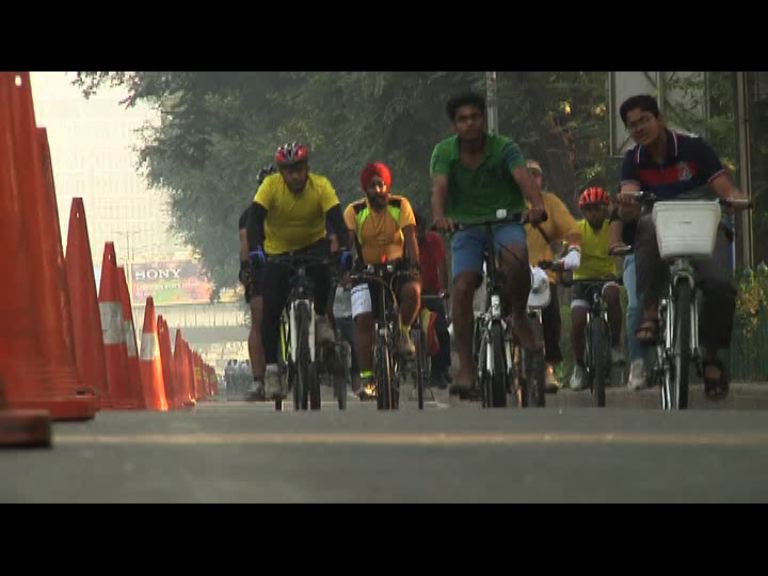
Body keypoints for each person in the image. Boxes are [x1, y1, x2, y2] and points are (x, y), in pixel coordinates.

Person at [615, 94, 749, 400]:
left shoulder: (694, 148)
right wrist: (626, 205)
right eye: (632, 125)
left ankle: (712, 357)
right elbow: (631, 201)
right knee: (646, 224)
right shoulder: (632, 160)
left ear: (659, 119)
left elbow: (725, 189)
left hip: (704, 223)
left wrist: (737, 200)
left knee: (718, 286)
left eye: (644, 121)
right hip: (661, 228)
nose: (639, 129)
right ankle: (651, 313)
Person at [430, 92, 546, 397]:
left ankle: (518, 315)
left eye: (474, 117)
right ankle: (466, 367)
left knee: (518, 259)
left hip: (506, 220)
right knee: (464, 286)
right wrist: (440, 217)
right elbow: (439, 187)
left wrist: (536, 205)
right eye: (462, 119)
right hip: (466, 226)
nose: (469, 124)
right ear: (454, 125)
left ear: (483, 119)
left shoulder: (504, 147)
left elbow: (523, 178)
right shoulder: (444, 152)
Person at [246, 142, 350, 400]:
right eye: (289, 171)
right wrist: (256, 250)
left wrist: (345, 248)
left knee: (324, 272)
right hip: (278, 251)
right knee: (270, 310)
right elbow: (254, 221)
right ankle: (271, 371)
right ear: (281, 172)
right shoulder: (270, 187)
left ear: (307, 168)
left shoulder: (321, 186)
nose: (294, 176)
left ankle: (322, 320)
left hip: (313, 245)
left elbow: (336, 218)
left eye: (299, 169)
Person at [344, 162, 421, 399]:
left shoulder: (400, 205)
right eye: (372, 186)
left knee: (413, 292)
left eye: (381, 185)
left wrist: (415, 265)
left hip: (397, 268)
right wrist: (345, 270)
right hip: (365, 272)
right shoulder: (354, 211)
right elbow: (348, 246)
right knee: (364, 319)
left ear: (388, 186)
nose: (377, 190)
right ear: (365, 189)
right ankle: (367, 376)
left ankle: (404, 332)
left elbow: (410, 238)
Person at [523, 159, 582, 393]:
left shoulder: (551, 203)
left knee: (552, 316)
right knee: (499, 312)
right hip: (513, 271)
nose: (532, 179)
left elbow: (572, 229)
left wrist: (574, 250)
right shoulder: (509, 203)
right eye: (526, 175)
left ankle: (549, 367)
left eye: (535, 175)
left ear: (541, 178)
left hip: (543, 273)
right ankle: (498, 359)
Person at [569, 186, 623, 390]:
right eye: (589, 209)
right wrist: (564, 270)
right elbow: (570, 250)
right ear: (583, 211)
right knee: (578, 321)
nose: (594, 213)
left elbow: (621, 246)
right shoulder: (577, 228)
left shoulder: (613, 227)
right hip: (581, 281)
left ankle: (616, 345)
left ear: (605, 209)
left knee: (612, 295)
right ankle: (579, 366)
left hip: (606, 277)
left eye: (598, 208)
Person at [238, 163, 277, 400]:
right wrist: (247, 270)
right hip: (262, 265)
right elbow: (245, 245)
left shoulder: (293, 208)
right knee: (259, 317)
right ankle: (259, 380)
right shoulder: (250, 215)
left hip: (289, 261)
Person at [414, 210, 452, 389]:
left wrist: (444, 290)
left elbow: (441, 264)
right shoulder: (402, 242)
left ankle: (440, 370)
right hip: (411, 294)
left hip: (432, 293)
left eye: (419, 230)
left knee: (441, 330)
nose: (417, 235)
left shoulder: (433, 240)